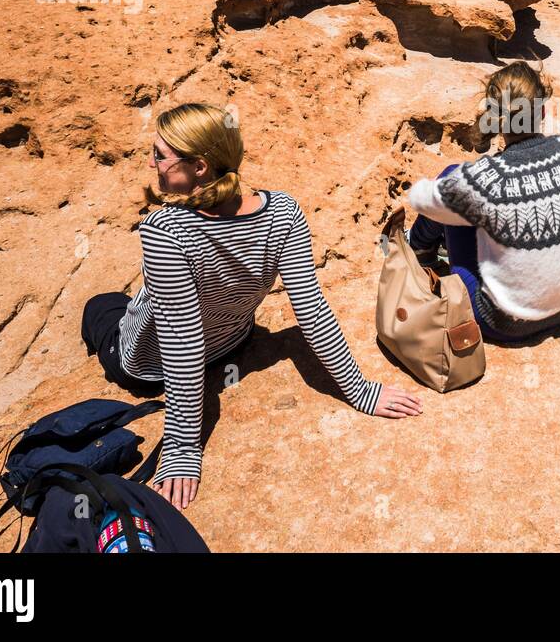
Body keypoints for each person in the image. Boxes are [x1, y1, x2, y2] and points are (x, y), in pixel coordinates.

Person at [82, 103, 421, 510]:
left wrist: (184, 446)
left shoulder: (164, 229)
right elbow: (310, 310)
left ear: (201, 167)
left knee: (100, 306)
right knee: (132, 301)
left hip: (147, 366)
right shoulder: (283, 210)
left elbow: (184, 344)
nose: (152, 163)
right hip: (235, 342)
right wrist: (360, 391)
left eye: (159, 154)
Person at [387, 62, 560, 342]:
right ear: (542, 110)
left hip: (503, 322)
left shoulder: (490, 177)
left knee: (453, 184)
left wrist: (460, 188)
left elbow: (421, 200)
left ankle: (419, 246)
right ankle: (425, 243)